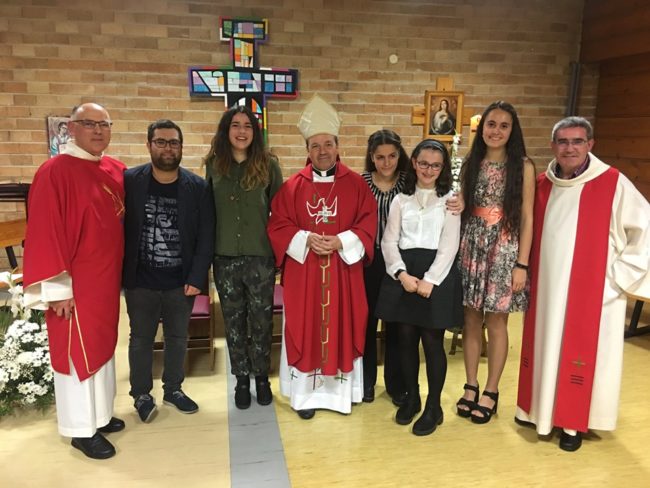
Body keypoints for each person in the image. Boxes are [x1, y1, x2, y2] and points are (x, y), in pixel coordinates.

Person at [516, 116, 650, 452]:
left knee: (579, 356)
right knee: (544, 344)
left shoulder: (612, 183)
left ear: (590, 144)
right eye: (562, 141)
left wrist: (618, 278)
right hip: (546, 289)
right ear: (553, 146)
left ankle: (573, 423)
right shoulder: (543, 183)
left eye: (577, 141)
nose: (569, 148)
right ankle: (537, 411)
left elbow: (645, 229)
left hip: (592, 292)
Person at [23, 103, 126, 460]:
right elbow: (45, 231)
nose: (98, 130)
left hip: (104, 283)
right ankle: (81, 430)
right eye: (89, 123)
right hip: (74, 285)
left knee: (102, 347)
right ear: (71, 127)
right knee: (75, 354)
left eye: (104, 124)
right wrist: (58, 288)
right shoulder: (54, 172)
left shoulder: (111, 169)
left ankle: (100, 415)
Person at [267, 95, 377, 419]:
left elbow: (368, 223)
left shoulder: (356, 185)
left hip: (343, 275)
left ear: (338, 146)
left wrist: (341, 241)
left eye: (328, 144)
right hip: (306, 276)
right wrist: (305, 239)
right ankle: (305, 397)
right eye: (315, 145)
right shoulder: (292, 187)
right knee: (305, 328)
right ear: (307, 150)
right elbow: (277, 224)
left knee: (342, 326)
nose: (322, 151)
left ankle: (341, 396)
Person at [123, 119, 215, 422]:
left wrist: (197, 277)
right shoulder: (130, 181)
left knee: (178, 337)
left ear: (181, 147)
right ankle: (141, 394)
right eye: (160, 142)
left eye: (173, 142)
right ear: (149, 145)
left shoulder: (197, 187)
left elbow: (206, 236)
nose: (167, 148)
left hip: (180, 281)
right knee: (141, 339)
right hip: (141, 281)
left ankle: (173, 389)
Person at [375, 139, 463, 436]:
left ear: (443, 168)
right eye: (423, 163)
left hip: (436, 274)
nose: (428, 170)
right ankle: (412, 397)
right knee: (405, 340)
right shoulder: (401, 200)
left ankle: (433, 406)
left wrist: (430, 279)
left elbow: (449, 245)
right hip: (405, 273)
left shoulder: (450, 201)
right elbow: (389, 240)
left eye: (435, 165)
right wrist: (401, 273)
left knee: (433, 342)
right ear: (413, 163)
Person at [456, 100, 535, 424]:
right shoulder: (470, 161)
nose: (496, 131)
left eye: (504, 126)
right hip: (472, 244)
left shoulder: (523, 166)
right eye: (491, 124)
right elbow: (461, 205)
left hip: (504, 248)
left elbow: (528, 217)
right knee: (471, 319)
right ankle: (470, 384)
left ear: (512, 130)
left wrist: (522, 264)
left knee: (497, 322)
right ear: (482, 128)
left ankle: (491, 390)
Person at [205, 106, 283, 409]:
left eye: (248, 126)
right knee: (234, 323)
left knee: (261, 322)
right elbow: (208, 213)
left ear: (255, 132)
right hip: (224, 257)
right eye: (235, 125)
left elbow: (280, 214)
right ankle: (240, 379)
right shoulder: (214, 166)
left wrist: (280, 256)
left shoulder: (268, 165)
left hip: (260, 257)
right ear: (226, 131)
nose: (241, 131)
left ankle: (261, 378)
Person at [360, 129, 409, 405]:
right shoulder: (361, 182)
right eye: (380, 157)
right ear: (372, 157)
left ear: (399, 155)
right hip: (368, 261)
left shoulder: (409, 182)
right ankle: (366, 380)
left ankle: (395, 383)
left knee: (396, 323)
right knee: (366, 322)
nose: (386, 162)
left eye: (392, 156)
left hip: (399, 261)